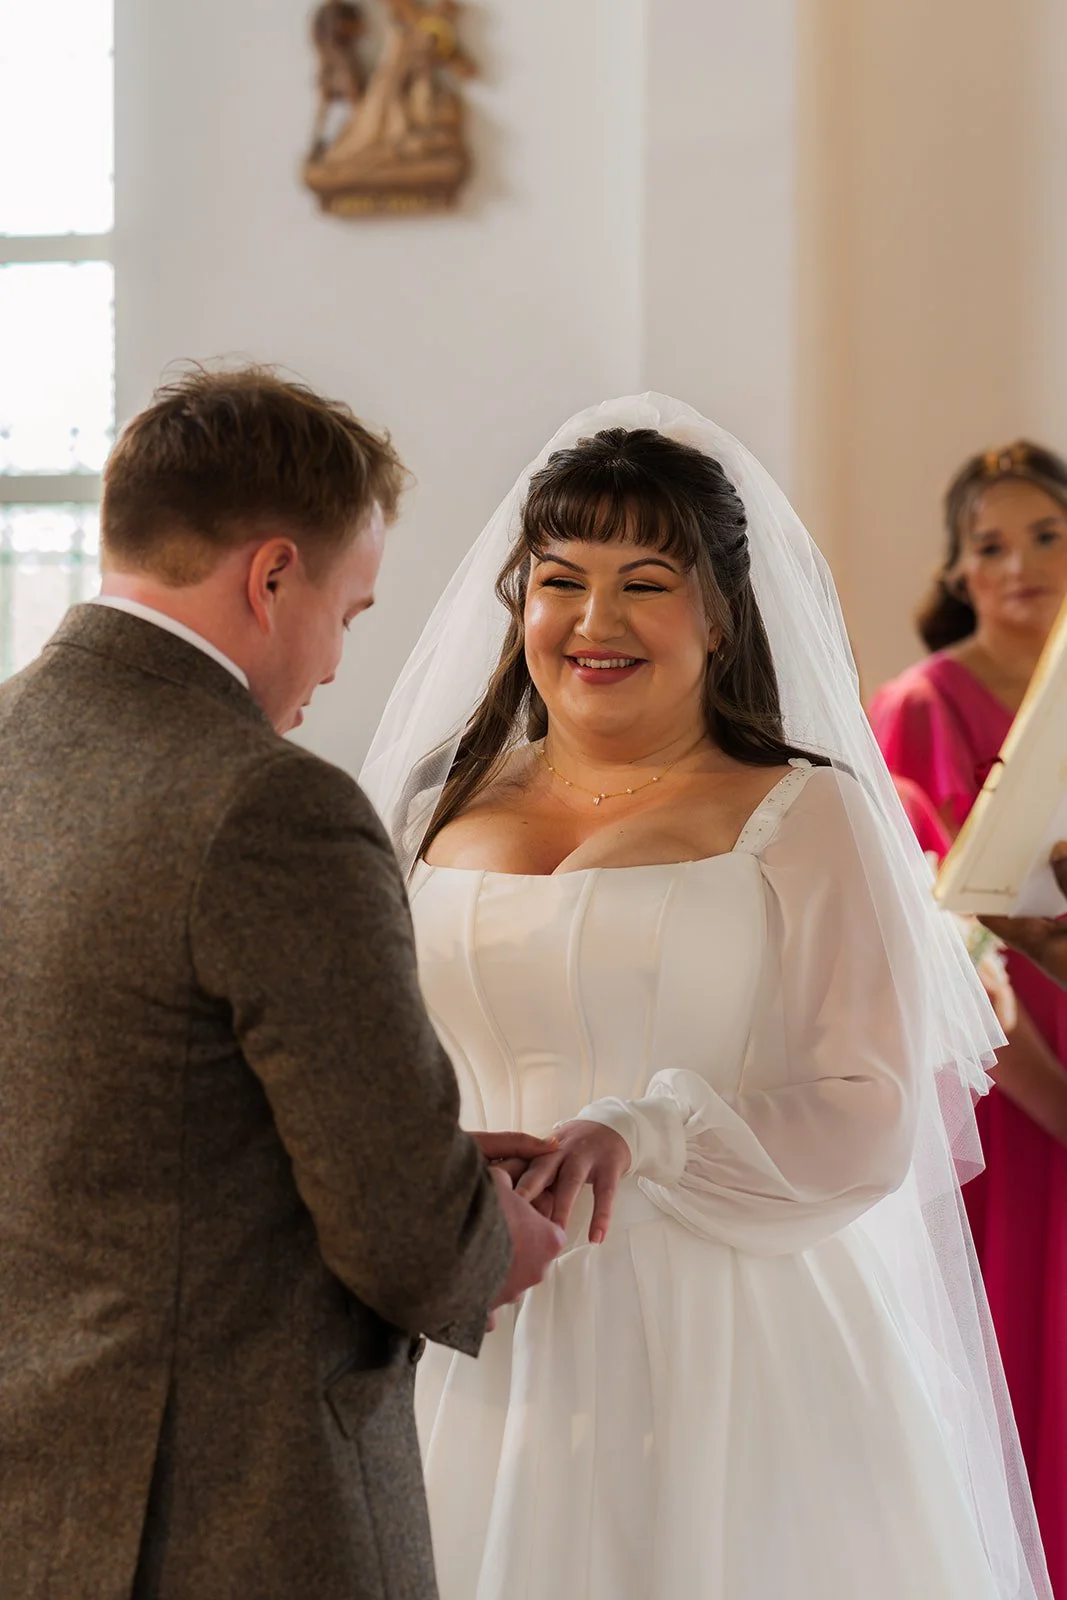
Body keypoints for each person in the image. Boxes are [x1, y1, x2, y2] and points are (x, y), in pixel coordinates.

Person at [361, 396, 1050, 1600]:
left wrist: (651, 1127)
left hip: (728, 1335)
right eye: (559, 580)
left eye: (644, 583)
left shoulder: (806, 815)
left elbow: (870, 1110)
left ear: (721, 614)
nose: (592, 621)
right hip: (470, 1329)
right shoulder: (431, 809)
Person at [0, 366, 564, 1600]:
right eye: (349, 611)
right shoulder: (271, 804)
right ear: (270, 578)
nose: (335, 659)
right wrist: (489, 1233)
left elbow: (106, 1110)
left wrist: (438, 1158)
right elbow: (403, 1233)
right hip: (231, 1515)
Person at [870, 440, 1067, 1595]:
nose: (1018, 562)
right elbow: (942, 946)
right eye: (988, 543)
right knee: (1012, 1353)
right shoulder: (912, 710)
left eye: (1045, 533)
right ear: (954, 569)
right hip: (1005, 1098)